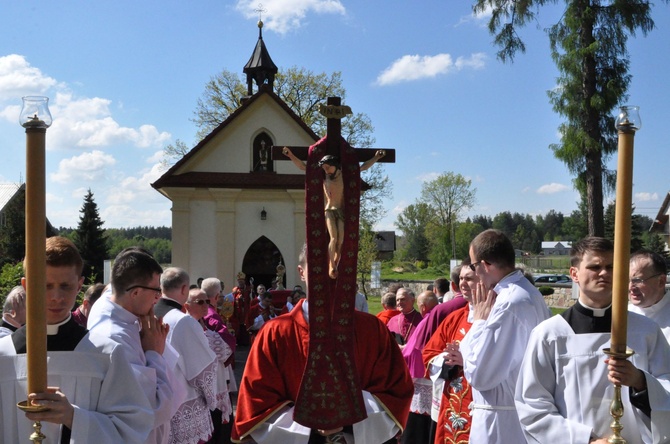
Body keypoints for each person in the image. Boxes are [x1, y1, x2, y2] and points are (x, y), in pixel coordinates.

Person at [232, 244, 413, 443]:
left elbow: (395, 392)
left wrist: (347, 415)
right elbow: (256, 402)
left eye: (339, 267)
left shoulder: (372, 330)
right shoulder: (275, 333)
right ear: (301, 272)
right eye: (320, 267)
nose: (331, 275)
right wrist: (309, 420)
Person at [516, 237, 670, 443]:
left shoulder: (646, 330)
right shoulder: (549, 335)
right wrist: (586, 440)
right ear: (574, 274)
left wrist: (640, 382)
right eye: (595, 267)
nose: (604, 273)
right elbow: (532, 405)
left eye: (610, 266)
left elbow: (667, 384)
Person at [0, 236, 153, 443]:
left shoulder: (104, 354)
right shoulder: (3, 354)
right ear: (26, 285)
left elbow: (132, 429)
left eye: (65, 286)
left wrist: (73, 417)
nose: (56, 297)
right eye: (46, 285)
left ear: (80, 285)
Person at [459, 229, 550, 443]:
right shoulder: (527, 292)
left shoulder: (509, 302)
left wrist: (480, 321)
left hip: (502, 422)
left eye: (473, 267)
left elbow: (481, 374)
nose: (475, 274)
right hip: (514, 414)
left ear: (484, 265)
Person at [87, 248, 176, 444]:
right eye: (155, 290)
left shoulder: (113, 305)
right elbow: (152, 408)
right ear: (135, 292)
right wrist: (154, 353)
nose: (158, 297)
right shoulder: (115, 337)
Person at [283, 146, 385, 279]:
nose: (325, 169)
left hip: (341, 211)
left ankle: (336, 262)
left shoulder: (345, 175)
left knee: (341, 241)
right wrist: (290, 155)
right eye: (324, 167)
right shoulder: (324, 177)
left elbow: (363, 167)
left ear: (335, 165)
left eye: (327, 167)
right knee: (333, 238)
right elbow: (304, 167)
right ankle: (332, 265)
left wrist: (376, 157)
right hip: (329, 210)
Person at [155, 268, 220, 444]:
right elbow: (203, 370)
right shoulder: (183, 321)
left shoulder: (148, 314)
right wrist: (212, 401)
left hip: (157, 405)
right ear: (184, 289)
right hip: (185, 406)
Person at [423, 263, 479, 444]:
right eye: (461, 278)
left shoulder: (497, 316)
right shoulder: (455, 318)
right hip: (454, 403)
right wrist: (448, 359)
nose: (463, 283)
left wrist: (467, 360)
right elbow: (429, 353)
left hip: (482, 403)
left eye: (469, 278)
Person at [400, 290, 439, 444]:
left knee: (417, 430)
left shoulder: (426, 321)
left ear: (422, 307)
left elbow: (414, 352)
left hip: (422, 380)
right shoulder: (442, 317)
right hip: (435, 379)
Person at [629, 249, 670, 343]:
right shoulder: (623, 315)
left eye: (637, 280)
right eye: (627, 280)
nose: (631, 287)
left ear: (661, 281)